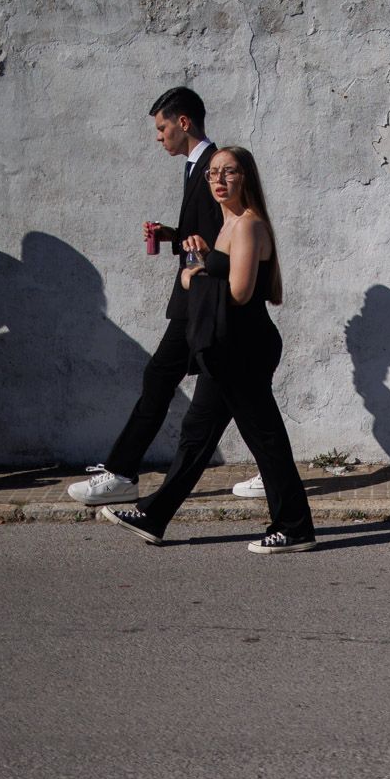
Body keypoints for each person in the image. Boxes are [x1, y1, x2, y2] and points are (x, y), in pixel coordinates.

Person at [99, 146, 316, 553]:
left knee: (265, 438)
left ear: (245, 178)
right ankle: (154, 515)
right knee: (196, 434)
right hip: (224, 349)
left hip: (245, 350)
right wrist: (198, 256)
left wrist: (190, 280)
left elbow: (238, 291)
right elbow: (219, 272)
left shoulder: (249, 226)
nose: (218, 180)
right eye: (213, 173)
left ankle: (295, 526)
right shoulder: (228, 224)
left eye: (228, 173)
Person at [67, 87, 250, 505]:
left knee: (164, 379)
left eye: (162, 127)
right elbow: (205, 229)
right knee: (236, 387)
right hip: (200, 297)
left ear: (183, 123)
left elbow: (227, 233)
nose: (158, 136)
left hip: (200, 299)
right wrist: (175, 235)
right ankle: (272, 471)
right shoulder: (195, 165)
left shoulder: (213, 166)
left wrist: (200, 261)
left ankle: (121, 474)